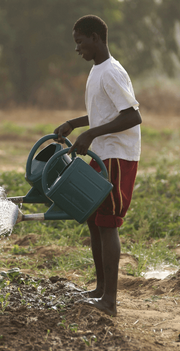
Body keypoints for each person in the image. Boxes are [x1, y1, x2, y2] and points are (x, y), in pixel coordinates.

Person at [53, 15, 142, 317]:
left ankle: (110, 302)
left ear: (95, 37)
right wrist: (74, 124)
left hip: (117, 156)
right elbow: (104, 114)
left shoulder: (111, 72)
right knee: (94, 219)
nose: (77, 49)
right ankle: (100, 290)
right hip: (102, 156)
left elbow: (131, 116)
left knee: (107, 221)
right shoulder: (97, 71)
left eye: (80, 42)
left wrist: (89, 134)